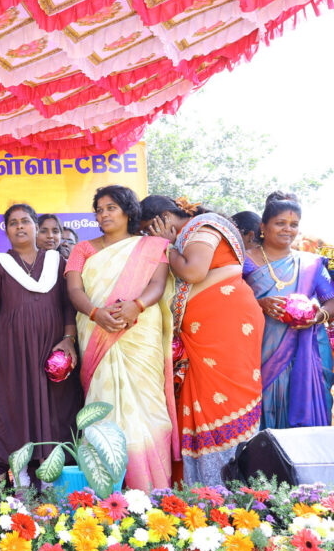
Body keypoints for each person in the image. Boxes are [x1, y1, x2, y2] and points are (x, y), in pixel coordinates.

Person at [142, 196, 263, 486]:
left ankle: (227, 488)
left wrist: (167, 246)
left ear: (164, 218)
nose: (150, 235)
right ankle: (205, 490)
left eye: (150, 228)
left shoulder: (203, 228)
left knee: (222, 400)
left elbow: (194, 272)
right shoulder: (191, 234)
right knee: (201, 401)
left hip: (226, 329)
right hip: (205, 333)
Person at [65, 186, 176, 490]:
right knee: (104, 407)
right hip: (97, 333)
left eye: (111, 208)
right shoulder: (82, 249)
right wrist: (95, 313)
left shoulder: (152, 246)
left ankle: (154, 488)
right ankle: (104, 491)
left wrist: (136, 306)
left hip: (140, 335)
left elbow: (157, 282)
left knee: (149, 407)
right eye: (99, 209)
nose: (103, 214)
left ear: (128, 211)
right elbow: (74, 291)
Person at [0, 204, 82, 481]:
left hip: (53, 352)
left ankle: (56, 483)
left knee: (56, 411)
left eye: (25, 221)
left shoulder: (55, 262)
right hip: (12, 353)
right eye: (13, 223)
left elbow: (68, 305)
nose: (20, 227)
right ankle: (22, 483)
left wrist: (69, 340)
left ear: (36, 227)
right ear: (6, 230)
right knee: (16, 410)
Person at [243, 197, 334, 429]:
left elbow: (330, 302)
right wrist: (259, 304)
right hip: (258, 348)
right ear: (263, 227)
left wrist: (318, 316)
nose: (288, 229)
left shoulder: (310, 263)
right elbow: (227, 299)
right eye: (280, 223)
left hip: (306, 349)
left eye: (293, 225)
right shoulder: (243, 261)